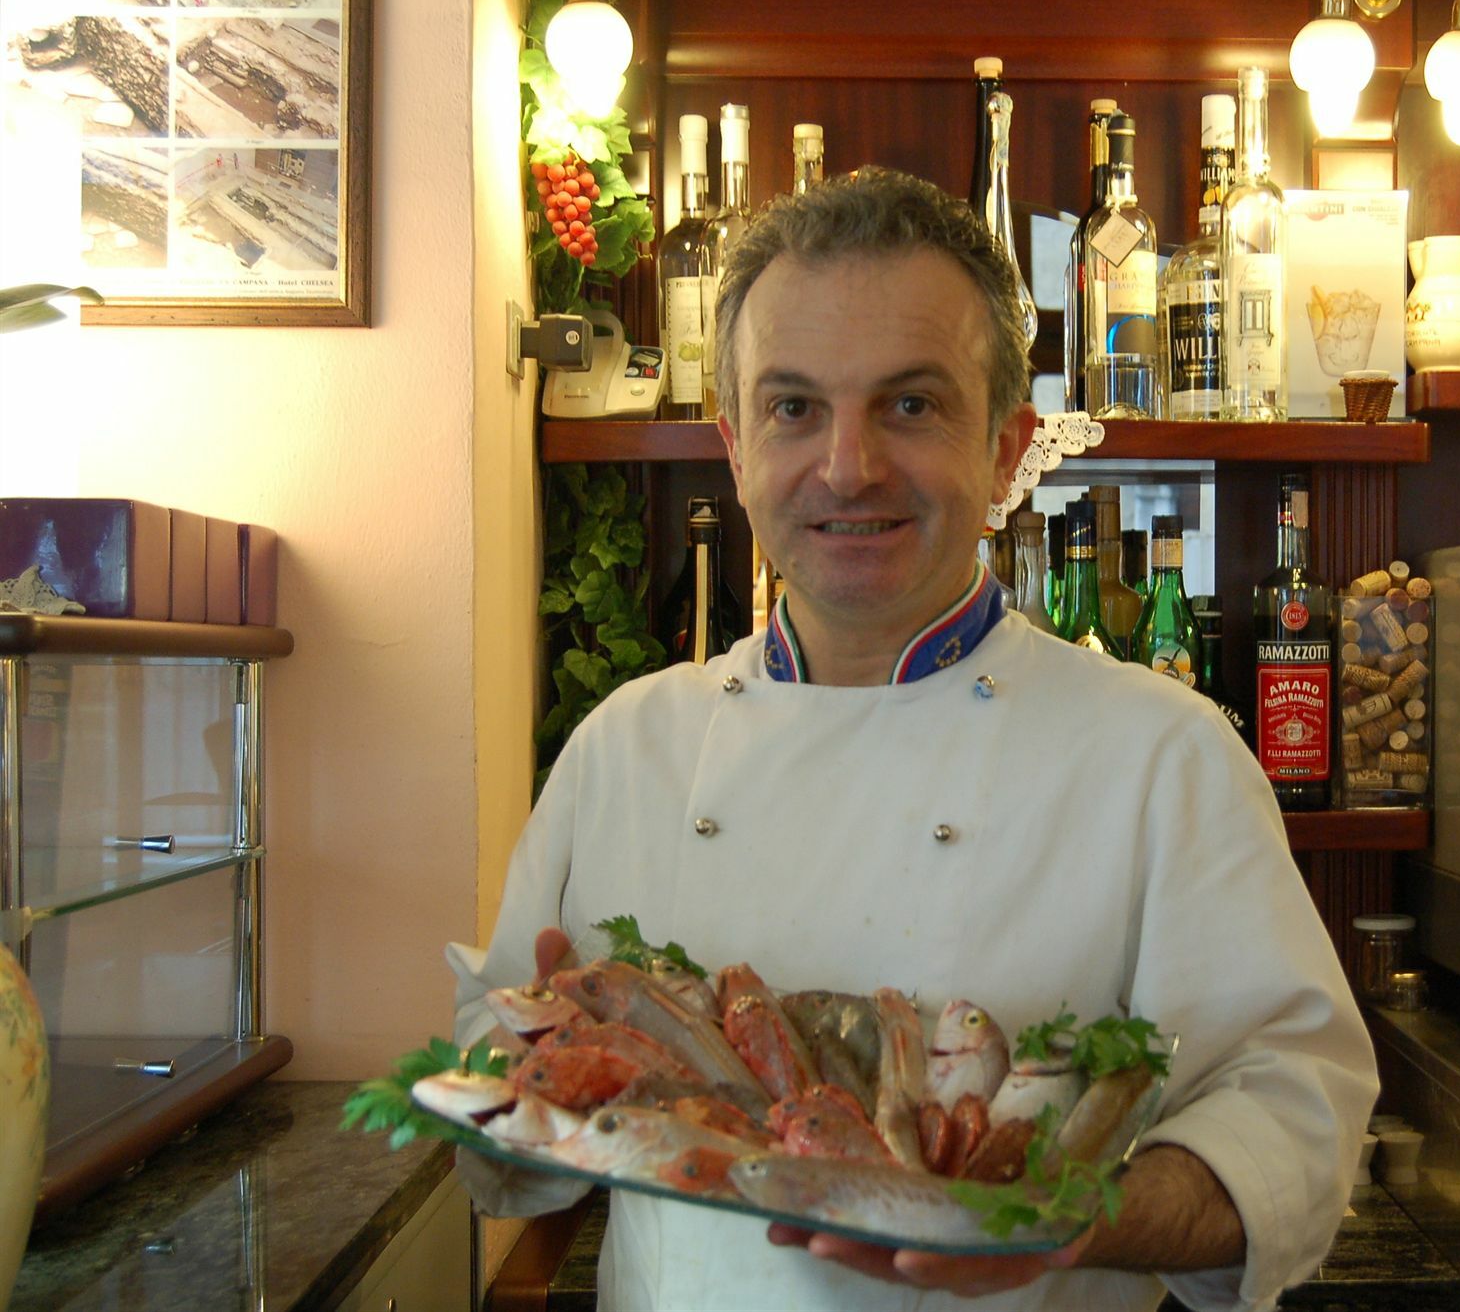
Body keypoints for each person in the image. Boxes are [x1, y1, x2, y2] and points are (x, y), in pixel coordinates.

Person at [449, 167, 1376, 1311]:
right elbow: (498, 1152)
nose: (848, 466)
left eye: (909, 404)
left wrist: (1069, 1216)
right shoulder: (621, 750)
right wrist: (522, 1087)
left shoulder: (1161, 759)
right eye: (794, 407)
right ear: (734, 448)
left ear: (1005, 448)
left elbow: (1293, 1110)